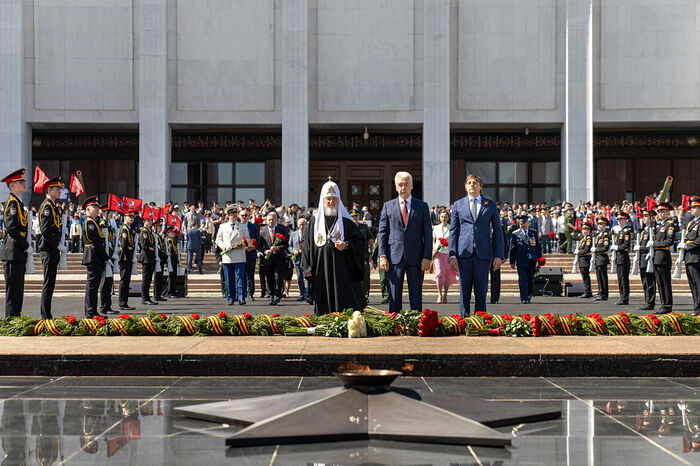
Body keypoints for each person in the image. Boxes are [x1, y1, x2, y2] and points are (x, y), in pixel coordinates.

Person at [301, 180, 366, 314]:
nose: (331, 202)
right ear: (323, 200)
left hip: (342, 270)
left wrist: (346, 245)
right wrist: (306, 267)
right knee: (323, 299)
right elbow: (306, 245)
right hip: (321, 268)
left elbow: (360, 242)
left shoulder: (346, 221)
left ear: (338, 200)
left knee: (343, 300)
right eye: (328, 199)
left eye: (334, 199)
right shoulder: (314, 221)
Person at [448, 174, 504, 316]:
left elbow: (498, 231)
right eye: (469, 183)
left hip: (483, 254)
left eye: (475, 183)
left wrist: (499, 255)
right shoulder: (458, 204)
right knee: (464, 291)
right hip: (463, 254)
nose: (472, 185)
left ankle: (480, 321)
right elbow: (453, 231)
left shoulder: (490, 204)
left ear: (481, 186)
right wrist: (452, 254)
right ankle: (463, 320)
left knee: (481, 291)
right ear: (465, 186)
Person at [377, 171, 432, 313]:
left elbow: (427, 233)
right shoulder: (388, 206)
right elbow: (383, 233)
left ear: (412, 186)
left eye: (406, 184)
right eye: (400, 185)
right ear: (396, 187)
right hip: (394, 257)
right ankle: (395, 322)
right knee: (394, 296)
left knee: (416, 295)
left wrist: (427, 257)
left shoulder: (422, 206)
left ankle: (416, 322)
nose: (403, 188)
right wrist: (382, 256)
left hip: (416, 257)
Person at [0, 168, 29, 318]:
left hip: (17, 250)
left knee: (18, 289)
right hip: (13, 250)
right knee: (13, 290)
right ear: (12, 186)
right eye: (20, 182)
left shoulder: (18, 202)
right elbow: (11, 228)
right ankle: (11, 320)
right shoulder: (12, 203)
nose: (24, 184)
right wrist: (26, 245)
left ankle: (16, 318)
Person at [38, 176, 64, 319]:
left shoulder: (53, 205)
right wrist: (57, 244)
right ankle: (45, 314)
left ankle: (47, 313)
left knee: (51, 282)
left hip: (52, 248)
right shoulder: (47, 206)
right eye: (57, 189)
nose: (60, 191)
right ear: (49, 190)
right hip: (48, 248)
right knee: (48, 282)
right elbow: (45, 230)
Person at [215, 205, 251, 305]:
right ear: (228, 215)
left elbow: (247, 239)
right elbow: (218, 240)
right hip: (228, 255)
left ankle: (241, 297)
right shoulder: (223, 226)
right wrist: (225, 247)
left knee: (240, 277)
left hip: (239, 255)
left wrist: (242, 244)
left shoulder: (242, 226)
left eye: (235, 213)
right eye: (231, 214)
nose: (233, 216)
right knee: (229, 278)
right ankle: (230, 297)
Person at [81, 196, 109, 318]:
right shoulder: (90, 222)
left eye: (98, 207)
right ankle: (90, 312)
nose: (97, 209)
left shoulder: (94, 221)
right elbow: (97, 242)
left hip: (95, 255)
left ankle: (92, 311)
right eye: (94, 207)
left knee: (94, 286)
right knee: (92, 286)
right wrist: (105, 257)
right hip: (93, 255)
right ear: (88, 209)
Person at [508, 216, 542, 304]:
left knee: (530, 279)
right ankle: (523, 297)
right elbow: (512, 249)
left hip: (531, 260)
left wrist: (540, 258)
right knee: (522, 279)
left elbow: (538, 247)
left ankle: (529, 295)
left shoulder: (533, 233)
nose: (522, 225)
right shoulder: (515, 234)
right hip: (521, 260)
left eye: (524, 223)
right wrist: (512, 261)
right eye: (520, 223)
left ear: (528, 223)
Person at [257, 211, 289, 305]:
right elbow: (259, 246)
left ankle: (277, 295)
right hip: (268, 258)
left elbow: (286, 243)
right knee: (269, 277)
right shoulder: (262, 231)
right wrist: (265, 251)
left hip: (279, 257)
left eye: (273, 220)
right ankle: (271, 295)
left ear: (276, 220)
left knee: (278, 277)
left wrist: (278, 248)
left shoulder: (282, 229)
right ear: (266, 221)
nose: (271, 221)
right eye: (269, 220)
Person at [653, 202, 676, 314]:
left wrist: (655, 244)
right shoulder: (659, 225)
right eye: (658, 211)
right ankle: (663, 305)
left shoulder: (669, 224)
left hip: (663, 256)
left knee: (665, 282)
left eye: (662, 211)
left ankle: (667, 305)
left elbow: (669, 241)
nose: (660, 213)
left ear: (667, 212)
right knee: (660, 283)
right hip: (657, 257)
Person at [432, 209, 457, 304]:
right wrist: (434, 248)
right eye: (442, 217)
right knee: (439, 273)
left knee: (447, 274)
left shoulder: (451, 228)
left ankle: (445, 295)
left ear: (448, 218)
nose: (444, 218)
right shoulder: (436, 228)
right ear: (439, 218)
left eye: (445, 217)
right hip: (438, 254)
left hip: (448, 254)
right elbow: (433, 240)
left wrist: (453, 255)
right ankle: (440, 294)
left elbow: (453, 242)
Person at [98, 205, 118, 315]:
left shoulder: (109, 224)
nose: (111, 214)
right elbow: (103, 239)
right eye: (108, 212)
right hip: (105, 256)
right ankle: (104, 306)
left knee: (109, 281)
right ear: (104, 213)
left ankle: (108, 305)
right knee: (105, 282)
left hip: (110, 254)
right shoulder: (102, 224)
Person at [682, 197, 700, 316]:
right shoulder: (691, 223)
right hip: (689, 257)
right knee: (693, 284)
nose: (691, 209)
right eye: (691, 207)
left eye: (694, 207)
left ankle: (698, 308)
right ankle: (696, 307)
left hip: (696, 257)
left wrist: (687, 246)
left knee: (698, 283)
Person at [350, 208, 374, 300]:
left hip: (364, 255)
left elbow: (370, 240)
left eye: (356, 216)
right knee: (352, 276)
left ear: (359, 216)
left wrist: (371, 252)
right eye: (352, 216)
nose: (354, 218)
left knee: (365, 275)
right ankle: (354, 296)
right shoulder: (348, 227)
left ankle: (365, 296)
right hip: (352, 255)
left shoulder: (364, 227)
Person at [637, 209, 657, 311]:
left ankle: (650, 302)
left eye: (646, 216)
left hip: (649, 257)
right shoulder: (643, 231)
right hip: (643, 258)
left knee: (650, 282)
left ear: (652, 218)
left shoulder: (653, 229)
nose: (644, 218)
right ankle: (647, 301)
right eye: (643, 216)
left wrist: (640, 247)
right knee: (645, 281)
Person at [117, 211, 136, 310]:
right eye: (129, 217)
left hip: (127, 256)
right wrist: (130, 256)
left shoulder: (128, 229)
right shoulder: (124, 229)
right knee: (124, 280)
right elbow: (124, 245)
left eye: (132, 217)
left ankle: (124, 302)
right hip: (125, 257)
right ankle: (122, 303)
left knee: (126, 280)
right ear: (125, 217)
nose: (131, 219)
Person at [613, 212, 632, 305]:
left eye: (621, 219)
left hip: (623, 257)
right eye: (618, 219)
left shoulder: (626, 232)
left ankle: (625, 298)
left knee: (624, 279)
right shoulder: (619, 232)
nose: (619, 221)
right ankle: (622, 297)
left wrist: (617, 247)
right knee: (620, 279)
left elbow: (626, 245)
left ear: (625, 220)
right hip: (619, 257)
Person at [289, 217, 310, 302]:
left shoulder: (309, 233)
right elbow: (289, 246)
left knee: (307, 276)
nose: (302, 226)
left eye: (303, 224)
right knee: (299, 277)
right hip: (297, 258)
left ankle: (307, 294)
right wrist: (294, 251)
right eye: (300, 224)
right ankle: (301, 294)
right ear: (297, 225)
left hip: (306, 258)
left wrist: (304, 250)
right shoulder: (293, 234)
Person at [241, 208, 260, 301]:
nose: (244, 217)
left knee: (250, 274)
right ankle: (242, 293)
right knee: (241, 274)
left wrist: (253, 247)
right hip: (240, 253)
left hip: (251, 253)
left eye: (246, 215)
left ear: (249, 216)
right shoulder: (237, 226)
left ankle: (250, 293)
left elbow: (258, 239)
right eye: (242, 215)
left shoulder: (253, 227)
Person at [138, 216, 158, 305]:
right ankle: (145, 298)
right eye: (147, 221)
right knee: (146, 279)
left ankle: (147, 297)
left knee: (149, 279)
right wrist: (152, 254)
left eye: (150, 220)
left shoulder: (150, 232)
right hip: (147, 257)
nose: (149, 222)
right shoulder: (144, 232)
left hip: (150, 257)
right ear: (144, 221)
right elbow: (145, 246)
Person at [593, 217, 611, 301]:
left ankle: (604, 294)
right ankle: (600, 292)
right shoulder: (598, 235)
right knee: (599, 277)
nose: (600, 226)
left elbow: (605, 248)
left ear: (605, 225)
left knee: (603, 277)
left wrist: (596, 250)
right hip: (598, 258)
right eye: (599, 224)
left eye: (602, 224)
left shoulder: (605, 235)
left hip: (602, 258)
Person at [577, 222, 594, 298]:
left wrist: (579, 252)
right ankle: (587, 291)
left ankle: (587, 292)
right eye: (583, 229)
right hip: (582, 259)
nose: (584, 231)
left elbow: (586, 249)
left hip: (585, 259)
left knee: (586, 276)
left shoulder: (588, 239)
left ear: (589, 231)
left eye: (586, 229)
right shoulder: (583, 239)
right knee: (584, 276)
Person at [153, 218, 168, 302]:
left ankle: (158, 294)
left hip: (161, 258)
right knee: (157, 277)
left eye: (161, 226)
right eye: (159, 226)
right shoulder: (155, 236)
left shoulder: (160, 236)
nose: (160, 228)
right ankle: (156, 295)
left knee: (160, 277)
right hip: (158, 258)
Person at [165, 225, 181, 298]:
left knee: (174, 276)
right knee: (171, 277)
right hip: (171, 261)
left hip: (173, 261)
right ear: (168, 233)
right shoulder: (168, 241)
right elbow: (170, 252)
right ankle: (170, 292)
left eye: (173, 232)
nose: (173, 233)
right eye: (171, 232)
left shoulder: (172, 241)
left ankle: (172, 292)